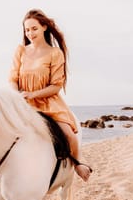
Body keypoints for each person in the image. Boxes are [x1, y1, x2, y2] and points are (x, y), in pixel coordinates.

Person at [9, 9, 92, 182]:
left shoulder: (55, 53)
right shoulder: (21, 51)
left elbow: (56, 86)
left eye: (34, 29)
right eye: (27, 30)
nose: (30, 33)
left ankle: (77, 164)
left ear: (44, 27)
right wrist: (17, 95)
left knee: (68, 134)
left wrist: (32, 94)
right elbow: (13, 78)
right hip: (22, 102)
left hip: (48, 102)